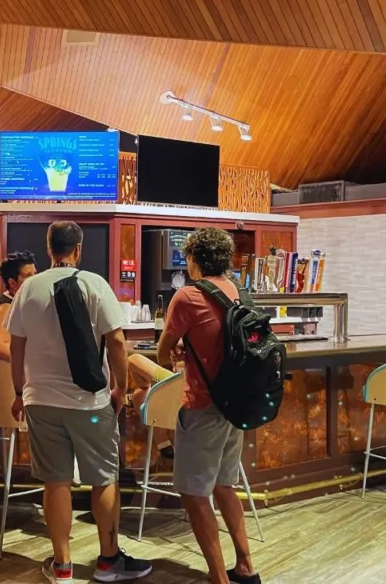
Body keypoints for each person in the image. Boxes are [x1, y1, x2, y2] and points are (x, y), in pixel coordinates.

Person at [7, 221, 152, 584]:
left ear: (48, 247)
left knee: (55, 482)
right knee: (104, 479)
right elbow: (116, 342)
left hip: (40, 401)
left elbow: (16, 346)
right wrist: (121, 388)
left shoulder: (28, 289)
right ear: (79, 249)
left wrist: (18, 391)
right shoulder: (94, 284)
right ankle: (108, 562)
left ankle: (63, 566)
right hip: (89, 404)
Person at [156, 227, 261, 584]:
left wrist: (181, 352)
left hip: (202, 406)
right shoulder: (241, 293)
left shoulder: (187, 296)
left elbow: (162, 351)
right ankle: (246, 566)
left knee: (194, 493)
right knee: (223, 485)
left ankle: (219, 579)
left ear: (195, 261)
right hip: (236, 405)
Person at [0, 251, 36, 359]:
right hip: (0, 374)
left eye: (34, 274)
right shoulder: (5, 307)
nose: (35, 280)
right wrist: (32, 362)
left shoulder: (16, 304)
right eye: (28, 276)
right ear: (12, 283)